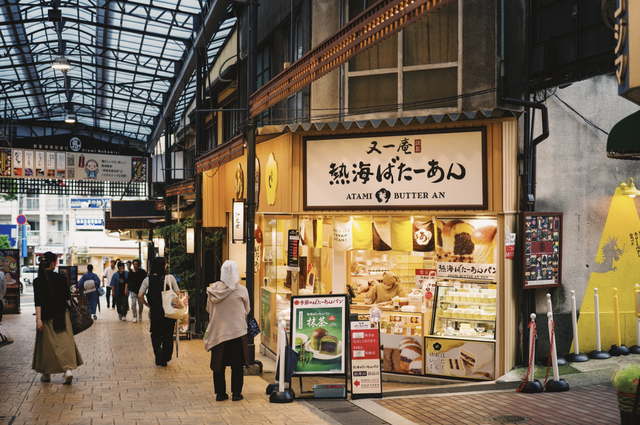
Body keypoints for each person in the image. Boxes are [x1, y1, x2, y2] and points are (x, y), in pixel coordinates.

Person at [32, 252, 83, 384]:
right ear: (53, 263)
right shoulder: (60, 278)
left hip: (45, 318)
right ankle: (68, 371)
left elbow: (37, 302)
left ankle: (46, 373)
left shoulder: (38, 281)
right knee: (65, 344)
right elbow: (67, 297)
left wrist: (38, 320)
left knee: (46, 347)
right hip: (62, 316)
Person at [204, 260, 249, 402]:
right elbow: (247, 310)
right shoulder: (242, 290)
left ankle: (220, 394)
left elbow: (208, 310)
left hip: (218, 333)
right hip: (237, 333)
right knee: (237, 365)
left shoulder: (213, 291)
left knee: (219, 365)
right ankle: (236, 393)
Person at [138, 257, 179, 367]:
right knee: (168, 334)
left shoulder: (148, 279)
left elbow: (140, 295)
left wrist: (146, 304)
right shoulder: (170, 278)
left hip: (155, 311)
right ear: (164, 266)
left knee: (155, 333)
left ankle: (158, 350)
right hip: (169, 313)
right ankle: (165, 358)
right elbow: (178, 294)